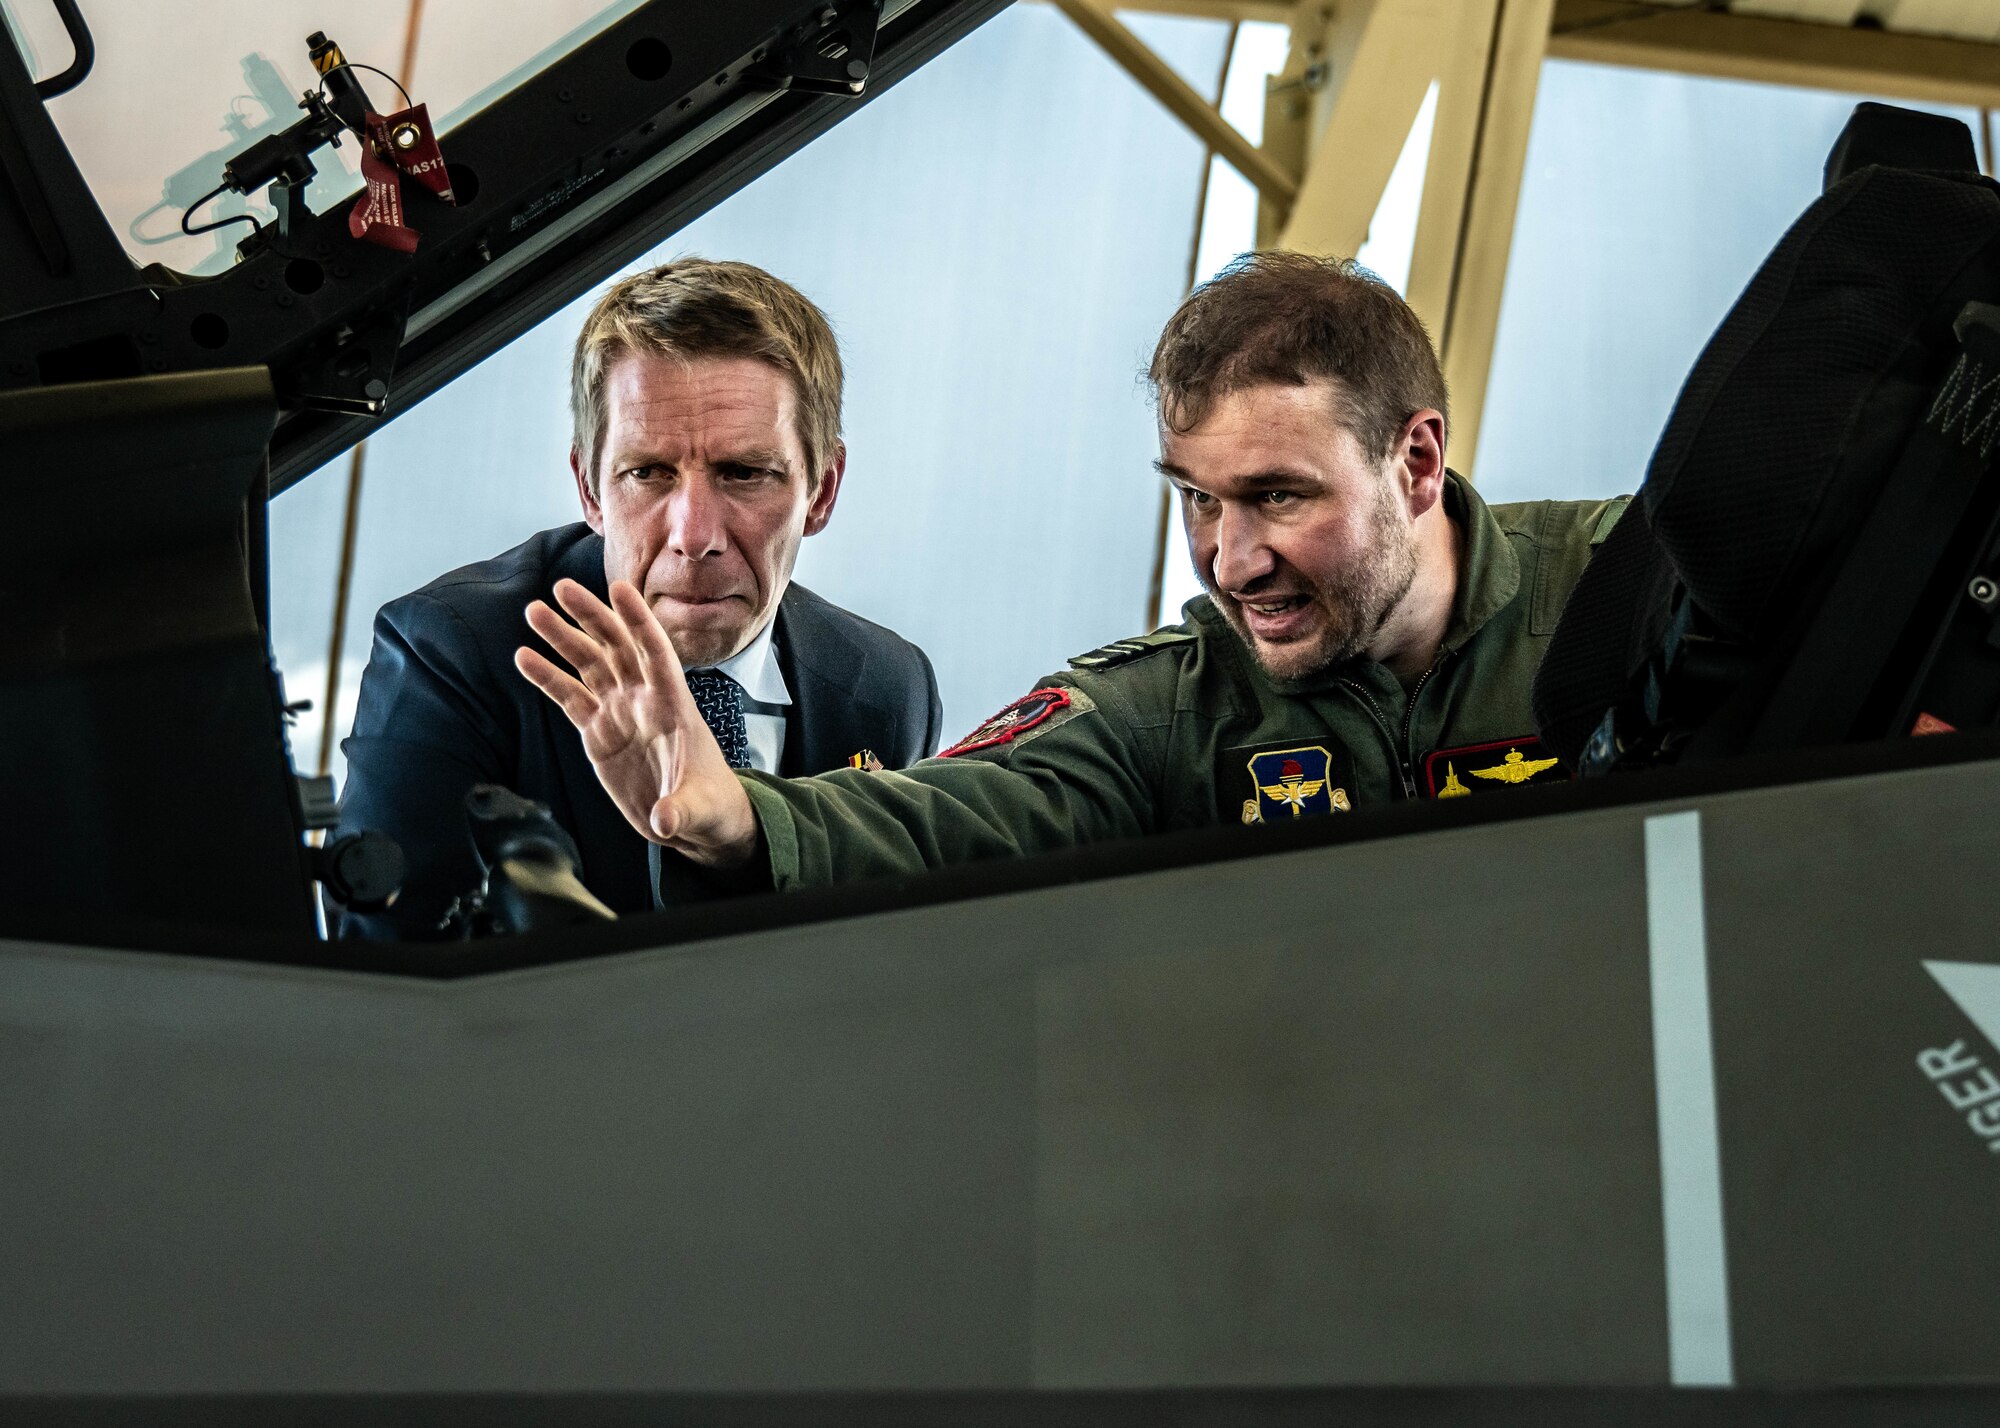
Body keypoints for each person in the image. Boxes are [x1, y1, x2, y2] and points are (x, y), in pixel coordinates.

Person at [516, 252, 1624, 896]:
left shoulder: (1635, 584)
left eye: (1277, 495)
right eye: (1197, 498)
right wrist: (740, 822)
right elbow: (955, 809)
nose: (1231, 562)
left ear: (1415, 461)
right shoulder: (1165, 709)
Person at [332, 258, 942, 937]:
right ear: (590, 489)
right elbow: (392, 983)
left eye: (743, 473)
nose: (695, 535)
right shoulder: (451, 654)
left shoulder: (891, 690)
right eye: (647, 473)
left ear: (821, 490)